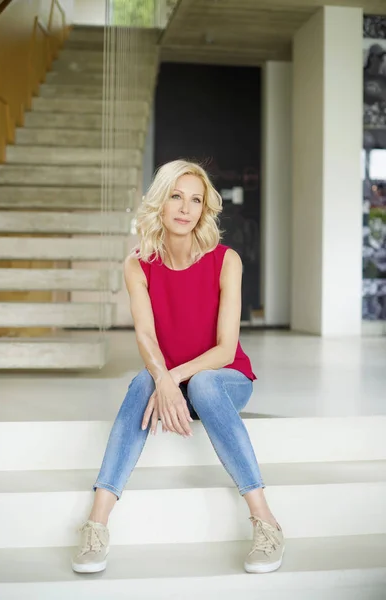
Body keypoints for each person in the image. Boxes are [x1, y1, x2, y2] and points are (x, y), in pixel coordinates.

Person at [71, 160, 284, 575]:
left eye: (196, 200)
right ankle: (97, 523)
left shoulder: (227, 261)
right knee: (139, 382)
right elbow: (146, 337)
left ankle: (266, 521)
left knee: (203, 384)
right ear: (160, 202)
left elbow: (225, 350)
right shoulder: (137, 264)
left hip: (225, 379)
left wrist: (171, 377)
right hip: (174, 378)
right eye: (176, 196)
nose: (186, 208)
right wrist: (159, 377)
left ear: (204, 210)